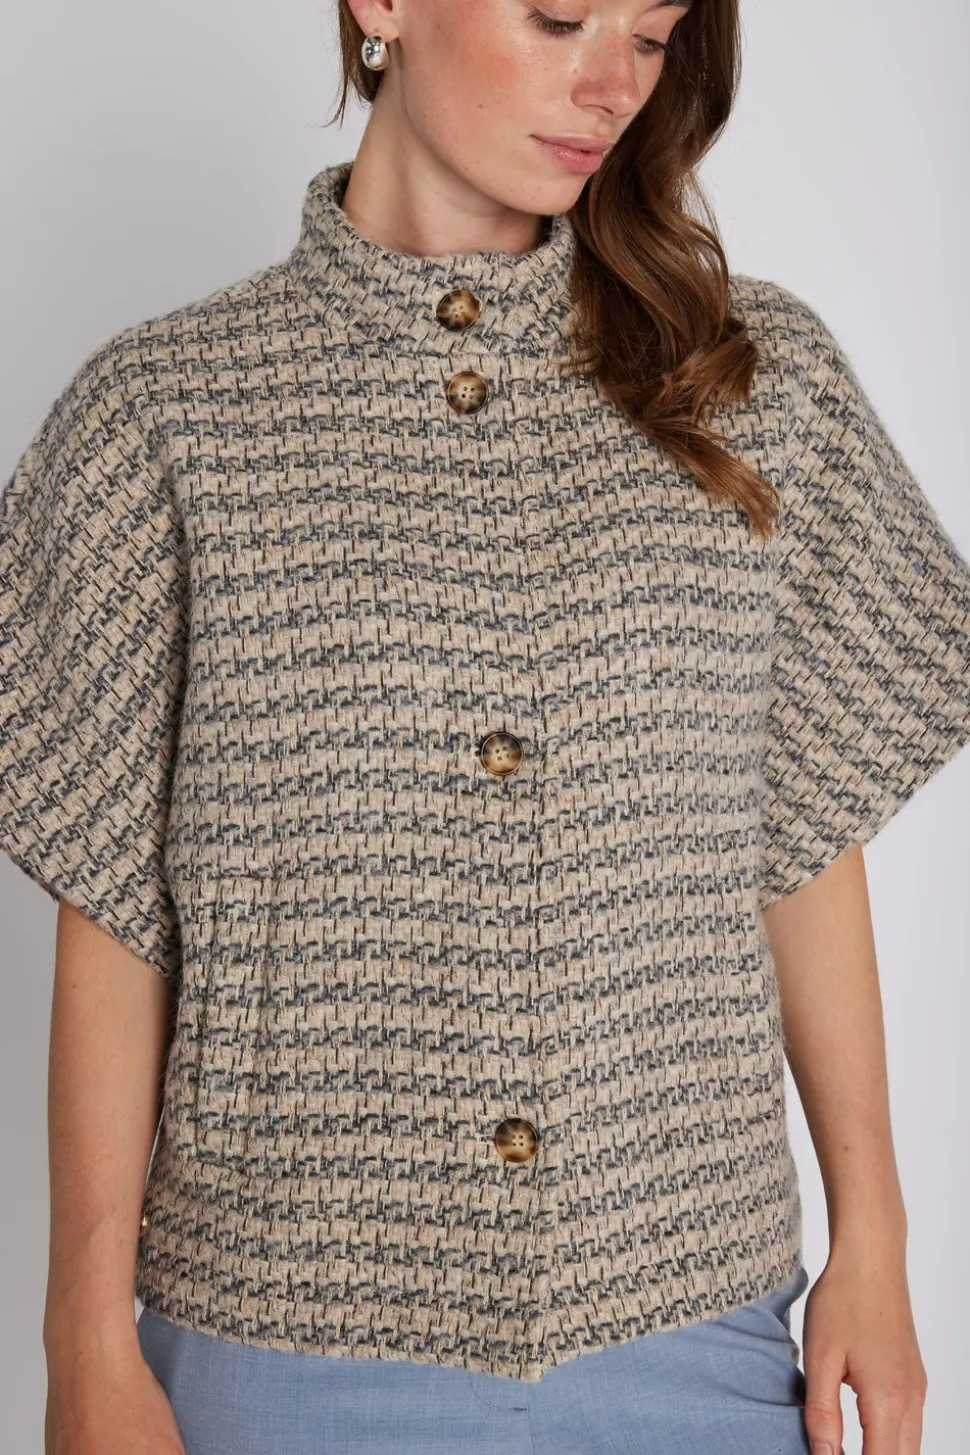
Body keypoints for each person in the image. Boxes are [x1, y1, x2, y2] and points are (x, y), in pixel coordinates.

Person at [1, 2, 966, 1452]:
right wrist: (83, 1331)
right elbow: (115, 911)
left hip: (690, 1333)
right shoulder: (163, 416)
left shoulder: (751, 379)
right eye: (560, 17)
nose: (611, 85)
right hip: (275, 1344)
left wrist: (872, 1240)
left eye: (652, 37)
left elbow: (803, 834)